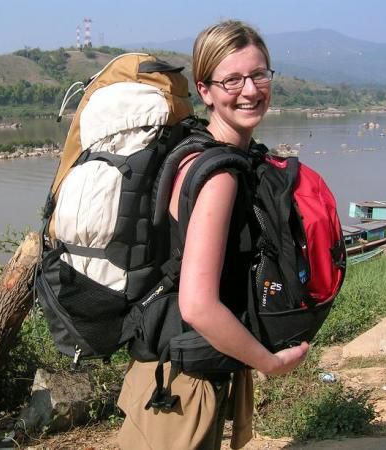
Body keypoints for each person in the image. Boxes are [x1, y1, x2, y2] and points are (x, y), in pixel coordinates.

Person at [117, 20, 309, 450]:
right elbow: (199, 304)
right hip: (180, 390)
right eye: (232, 79)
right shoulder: (219, 175)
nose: (250, 90)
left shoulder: (194, 147)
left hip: (178, 371)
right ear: (204, 90)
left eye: (259, 74)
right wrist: (270, 363)